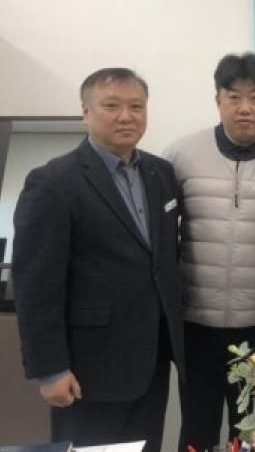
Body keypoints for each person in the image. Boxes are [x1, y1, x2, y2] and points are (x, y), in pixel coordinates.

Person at [12, 68, 184, 452]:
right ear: (86, 112)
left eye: (136, 106)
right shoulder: (53, 182)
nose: (126, 116)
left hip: (151, 359)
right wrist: (50, 370)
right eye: (112, 106)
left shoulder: (161, 173)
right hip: (89, 367)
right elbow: (35, 285)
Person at [163, 53, 255, 452]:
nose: (245, 107)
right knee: (197, 426)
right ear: (218, 100)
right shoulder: (181, 154)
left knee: (253, 429)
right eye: (234, 97)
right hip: (197, 322)